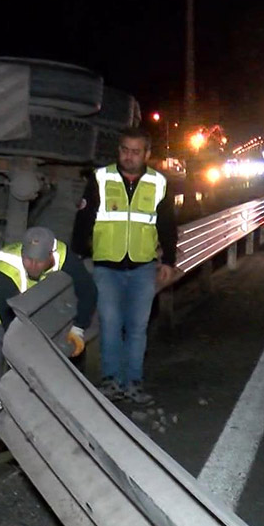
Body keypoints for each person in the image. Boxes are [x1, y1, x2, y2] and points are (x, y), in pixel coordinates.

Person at [72, 127, 177, 406]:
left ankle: (133, 382)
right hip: (107, 266)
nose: (129, 157)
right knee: (109, 324)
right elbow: (83, 220)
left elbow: (167, 224)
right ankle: (111, 381)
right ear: (118, 150)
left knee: (137, 328)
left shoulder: (159, 183)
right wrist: (77, 256)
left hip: (143, 267)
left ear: (147, 154)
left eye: (136, 151)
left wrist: (168, 261)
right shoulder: (100, 178)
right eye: (124, 150)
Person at [0, 227, 96, 430]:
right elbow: (11, 323)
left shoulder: (62, 255)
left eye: (38, 261)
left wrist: (78, 329)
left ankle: (48, 411)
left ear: (50, 257)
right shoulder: (5, 270)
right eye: (28, 260)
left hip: (27, 304)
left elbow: (87, 290)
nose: (33, 266)